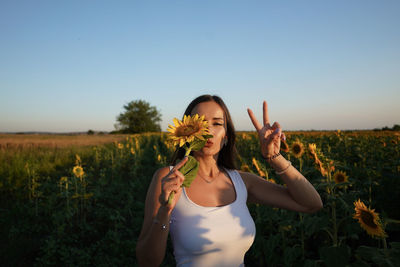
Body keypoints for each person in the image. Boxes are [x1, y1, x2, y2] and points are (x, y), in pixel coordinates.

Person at [136, 95, 323, 267]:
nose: (207, 130)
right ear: (186, 131)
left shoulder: (241, 181)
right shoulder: (169, 178)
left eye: (216, 123)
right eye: (198, 123)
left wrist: (274, 156)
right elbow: (147, 262)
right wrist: (164, 211)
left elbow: (311, 204)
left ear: (226, 135)